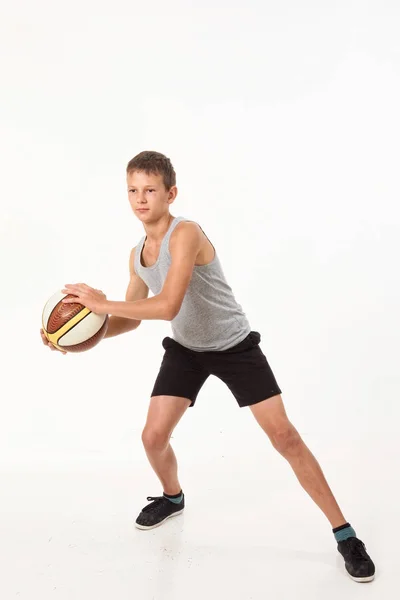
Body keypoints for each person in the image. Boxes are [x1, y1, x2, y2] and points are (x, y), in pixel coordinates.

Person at [40, 151, 375, 583]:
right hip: (187, 349)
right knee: (152, 436)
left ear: (170, 193)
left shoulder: (187, 234)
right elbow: (134, 316)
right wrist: (79, 335)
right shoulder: (137, 254)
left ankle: (345, 534)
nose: (140, 199)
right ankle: (173, 497)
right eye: (133, 191)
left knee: (285, 437)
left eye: (150, 190)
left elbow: (167, 304)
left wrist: (100, 303)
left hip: (234, 345)